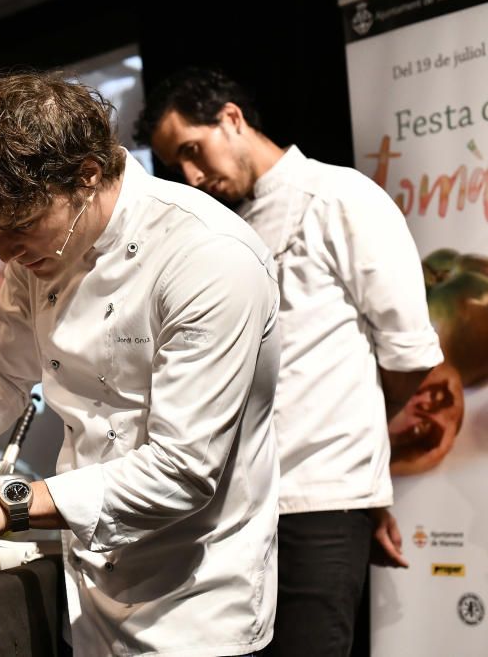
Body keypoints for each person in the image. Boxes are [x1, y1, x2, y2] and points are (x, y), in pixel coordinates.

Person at [0, 70, 282, 656]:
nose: (4, 253)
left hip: (197, 600)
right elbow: (4, 370)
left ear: (87, 177)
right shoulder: (39, 254)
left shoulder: (209, 257)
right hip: (88, 590)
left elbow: (183, 469)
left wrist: (4, 505)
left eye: (19, 227)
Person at [135, 67, 443, 656]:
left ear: (231, 118)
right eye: (179, 167)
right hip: (236, 516)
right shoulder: (219, 234)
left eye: (195, 153)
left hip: (320, 502)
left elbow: (408, 355)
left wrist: (358, 470)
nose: (194, 178)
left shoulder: (341, 198)